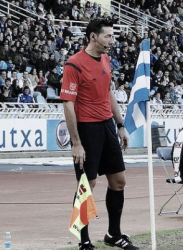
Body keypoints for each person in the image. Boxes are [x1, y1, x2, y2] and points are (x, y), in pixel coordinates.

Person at [60, 18, 139, 250]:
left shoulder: (105, 59)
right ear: (93, 36)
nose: (112, 41)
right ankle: (84, 241)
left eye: (113, 36)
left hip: (107, 126)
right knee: (88, 184)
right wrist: (76, 143)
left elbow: (108, 93)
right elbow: (68, 105)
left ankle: (113, 234)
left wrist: (120, 124)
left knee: (119, 182)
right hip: (87, 130)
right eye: (108, 36)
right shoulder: (73, 64)